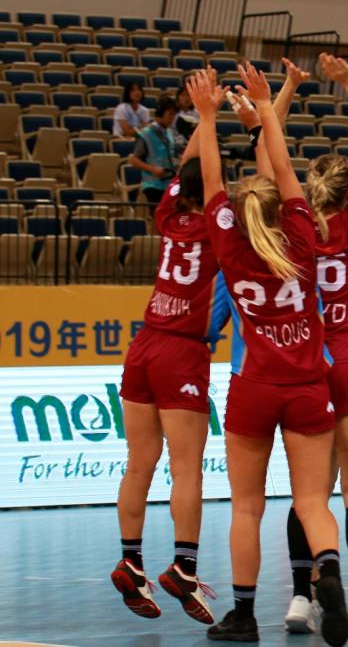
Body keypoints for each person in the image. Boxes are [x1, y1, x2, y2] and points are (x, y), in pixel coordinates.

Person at [190, 64, 348, 646]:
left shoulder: (232, 245)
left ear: (240, 211)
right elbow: (281, 171)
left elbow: (212, 181)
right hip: (309, 386)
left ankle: (245, 615)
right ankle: (327, 566)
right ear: (285, 207)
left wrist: (208, 118)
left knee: (247, 509)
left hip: (254, 387)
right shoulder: (303, 235)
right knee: (312, 500)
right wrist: (266, 112)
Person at [283, 53, 348, 638]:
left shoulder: (292, 221)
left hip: (302, 366)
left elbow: (264, 153)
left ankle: (300, 598)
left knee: (309, 491)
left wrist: (286, 93)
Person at [112, 81, 223, 626]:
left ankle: (130, 561)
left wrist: (203, 118)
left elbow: (185, 169)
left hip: (143, 343)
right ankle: (183, 565)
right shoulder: (219, 229)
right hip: (181, 350)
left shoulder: (170, 215)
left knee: (139, 463)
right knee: (187, 470)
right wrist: (214, 118)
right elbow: (210, 179)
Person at [129, 96, 180, 206]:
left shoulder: (170, 133)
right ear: (161, 113)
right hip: (153, 184)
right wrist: (152, 169)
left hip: (170, 183)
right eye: (170, 114)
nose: (172, 118)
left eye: (174, 115)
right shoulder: (146, 134)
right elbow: (134, 160)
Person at [174, 84, 200, 152]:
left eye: (189, 95)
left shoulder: (197, 113)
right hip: (176, 144)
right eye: (183, 95)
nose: (186, 98)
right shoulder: (173, 113)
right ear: (178, 97)